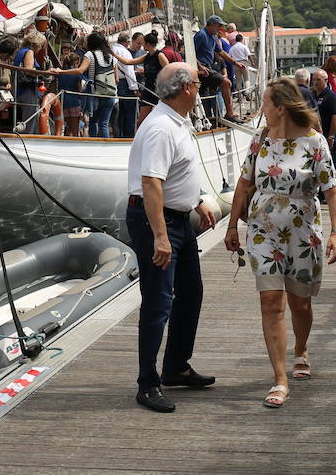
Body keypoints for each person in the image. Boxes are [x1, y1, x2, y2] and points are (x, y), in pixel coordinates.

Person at [224, 77, 336, 409]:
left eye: (264, 104)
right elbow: (245, 184)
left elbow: (332, 188)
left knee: (300, 303)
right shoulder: (261, 140)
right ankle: (279, 378)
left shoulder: (315, 142)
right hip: (263, 232)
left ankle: (301, 349)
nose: (261, 109)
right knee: (271, 302)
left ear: (280, 108)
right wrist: (232, 225)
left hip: (304, 233)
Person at [126, 62, 219, 413]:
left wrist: (196, 201)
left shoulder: (176, 122)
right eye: (197, 82)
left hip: (178, 218)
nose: (199, 87)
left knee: (190, 293)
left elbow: (175, 172)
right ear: (186, 90)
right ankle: (147, 383)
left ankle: (176, 366)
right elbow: (151, 183)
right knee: (158, 302)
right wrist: (160, 237)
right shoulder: (161, 128)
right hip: (157, 221)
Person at [191, 15, 236, 120]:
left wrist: (234, 63)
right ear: (211, 24)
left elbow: (221, 52)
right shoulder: (201, 35)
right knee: (226, 83)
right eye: (218, 26)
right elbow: (190, 52)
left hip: (208, 68)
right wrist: (200, 66)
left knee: (208, 95)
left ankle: (211, 118)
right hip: (201, 69)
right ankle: (229, 114)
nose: (219, 28)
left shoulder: (213, 37)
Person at [309, 68, 336, 178]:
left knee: (332, 162)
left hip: (328, 135)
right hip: (317, 136)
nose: (315, 82)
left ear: (326, 80)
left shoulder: (330, 96)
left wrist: (331, 136)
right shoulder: (314, 95)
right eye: (313, 80)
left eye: (318, 80)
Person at [135, 31, 170, 130]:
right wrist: (113, 54)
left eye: (143, 44)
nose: (142, 46)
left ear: (148, 44)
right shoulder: (147, 57)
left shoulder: (159, 55)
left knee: (159, 119)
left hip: (158, 91)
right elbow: (129, 62)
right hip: (148, 90)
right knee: (141, 120)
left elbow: (169, 70)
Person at [112, 32, 141, 138]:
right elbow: (129, 71)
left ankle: (118, 136)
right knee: (129, 114)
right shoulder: (125, 52)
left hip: (113, 83)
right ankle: (128, 137)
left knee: (118, 114)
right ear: (127, 42)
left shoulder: (111, 50)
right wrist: (134, 88)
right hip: (125, 84)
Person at [55, 52, 85, 136]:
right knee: (75, 130)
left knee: (66, 128)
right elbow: (80, 89)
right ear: (76, 62)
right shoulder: (77, 74)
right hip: (74, 102)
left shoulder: (61, 73)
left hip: (63, 102)